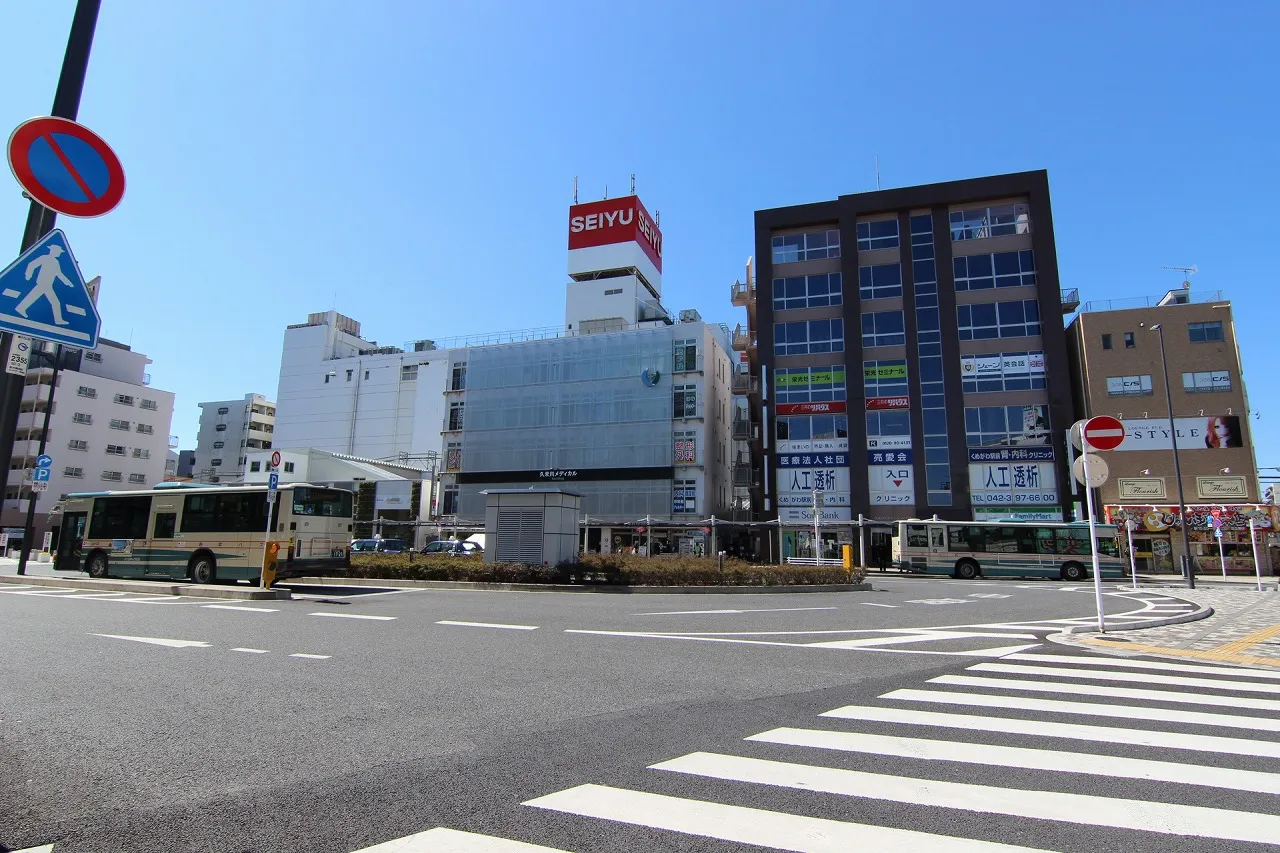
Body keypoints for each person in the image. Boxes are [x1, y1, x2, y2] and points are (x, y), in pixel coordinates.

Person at [18, 244, 75, 326]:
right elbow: (32, 264)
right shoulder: (45, 258)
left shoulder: (56, 262)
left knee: (33, 297)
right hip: (43, 283)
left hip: (47, 284)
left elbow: (59, 274)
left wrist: (68, 283)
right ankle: (58, 320)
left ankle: (20, 308)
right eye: (58, 252)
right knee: (55, 302)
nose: (59, 253)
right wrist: (28, 274)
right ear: (54, 251)